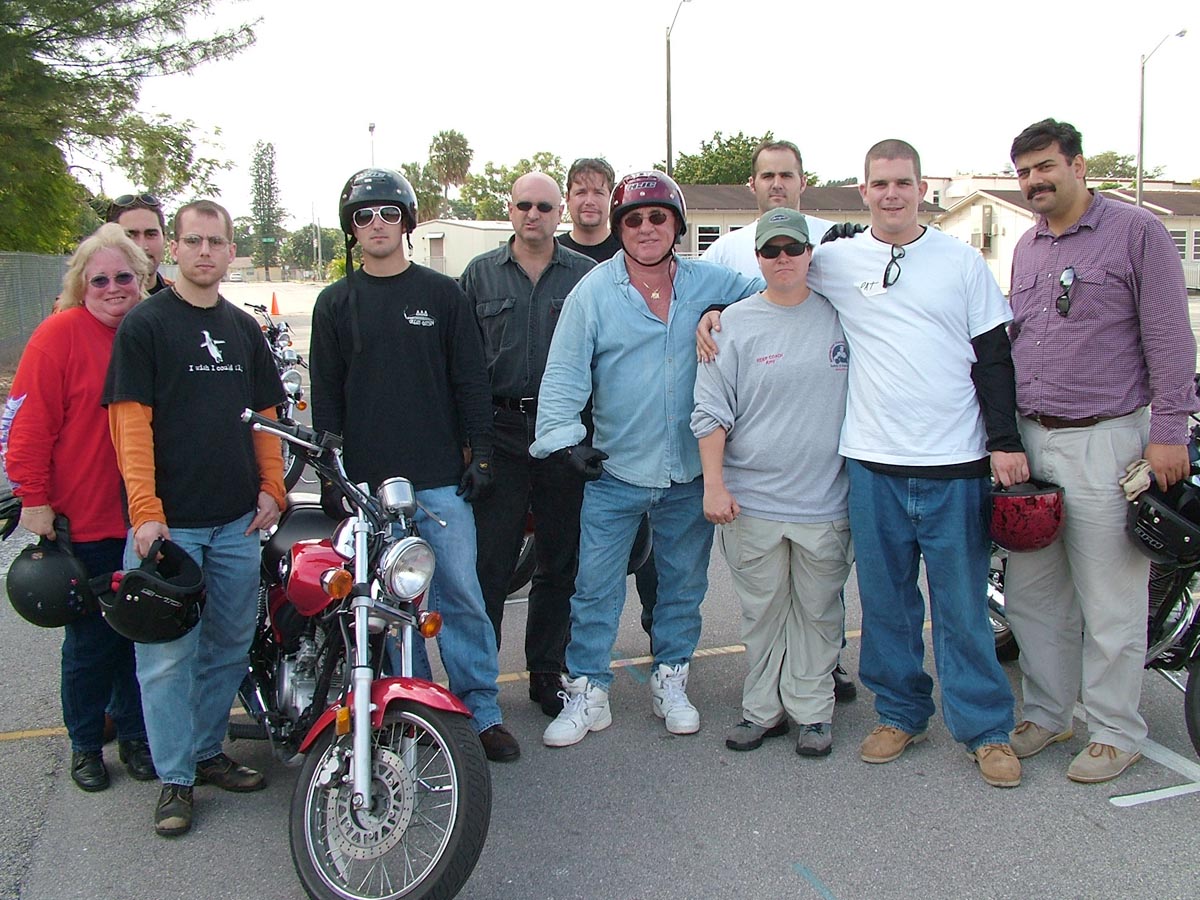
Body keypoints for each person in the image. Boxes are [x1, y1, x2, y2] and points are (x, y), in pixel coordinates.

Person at [699, 140, 1029, 788]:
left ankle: (986, 730)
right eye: (880, 183)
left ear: (922, 189)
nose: (892, 194)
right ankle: (901, 714)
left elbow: (993, 356)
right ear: (864, 191)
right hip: (872, 466)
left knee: (962, 609)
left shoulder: (961, 263)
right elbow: (774, 281)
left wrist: (1005, 440)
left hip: (955, 462)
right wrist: (711, 316)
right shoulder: (836, 259)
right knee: (886, 606)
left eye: (903, 183)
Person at [531, 170, 762, 748]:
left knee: (682, 585)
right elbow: (563, 372)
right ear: (619, 228)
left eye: (658, 217)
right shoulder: (593, 292)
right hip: (615, 470)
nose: (646, 228)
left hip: (690, 471)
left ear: (677, 225)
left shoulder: (713, 281)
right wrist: (565, 442)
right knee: (595, 588)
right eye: (633, 219)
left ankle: (672, 678)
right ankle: (588, 689)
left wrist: (720, 310)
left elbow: (773, 291)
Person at [1004, 119, 1198, 783]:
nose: (1034, 181)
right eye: (1024, 172)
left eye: (1045, 167)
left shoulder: (1136, 233)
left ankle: (1117, 731)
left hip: (1106, 441)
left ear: (1079, 165)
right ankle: (1048, 712)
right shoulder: (1027, 246)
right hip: (1034, 440)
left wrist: (1170, 431)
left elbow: (1169, 337)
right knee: (1034, 596)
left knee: (1111, 601)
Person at [308, 168, 518, 763]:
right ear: (351, 229)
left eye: (388, 213)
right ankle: (415, 712)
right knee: (390, 608)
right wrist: (331, 474)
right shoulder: (334, 304)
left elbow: (470, 379)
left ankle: (481, 712)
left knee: (461, 597)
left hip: (440, 480)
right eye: (364, 216)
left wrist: (481, 452)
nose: (377, 224)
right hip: (369, 490)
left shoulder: (443, 295)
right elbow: (327, 397)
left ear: (407, 221)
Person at [104, 199, 286, 837]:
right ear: (173, 249)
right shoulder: (145, 326)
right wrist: (145, 513)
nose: (204, 251)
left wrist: (273, 488)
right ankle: (175, 778)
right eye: (193, 241)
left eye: (216, 242)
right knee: (165, 661)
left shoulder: (244, 330)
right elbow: (130, 426)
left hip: (236, 523)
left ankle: (208, 752)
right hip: (170, 529)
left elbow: (265, 416)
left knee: (229, 645)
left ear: (230, 251)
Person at [1, 224, 155, 793]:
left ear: (141, 278)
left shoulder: (147, 332)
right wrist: (33, 499)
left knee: (139, 641)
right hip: (84, 521)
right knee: (90, 645)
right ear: (81, 286)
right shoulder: (59, 335)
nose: (114, 288)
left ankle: (136, 738)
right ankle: (86, 744)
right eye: (100, 280)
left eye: (124, 277)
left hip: (143, 521)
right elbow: (27, 426)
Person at [692, 208, 852, 757]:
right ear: (757, 258)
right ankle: (762, 710)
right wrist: (714, 485)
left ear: (810, 253)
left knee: (818, 612)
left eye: (793, 248)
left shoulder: (844, 316)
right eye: (771, 250)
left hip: (825, 500)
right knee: (762, 614)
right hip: (752, 502)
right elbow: (710, 410)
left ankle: (813, 711)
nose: (783, 259)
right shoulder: (730, 325)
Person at [461, 172, 595, 717]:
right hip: (501, 431)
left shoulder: (586, 276)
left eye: (543, 206)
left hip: (564, 433)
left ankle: (546, 671)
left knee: (559, 562)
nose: (533, 214)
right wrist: (469, 443)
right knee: (490, 566)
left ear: (560, 212)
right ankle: (478, 684)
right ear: (510, 210)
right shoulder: (479, 275)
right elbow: (462, 364)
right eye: (524, 205)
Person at [556, 157, 661, 645]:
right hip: (575, 432)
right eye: (580, 191)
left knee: (652, 552)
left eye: (599, 190)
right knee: (577, 554)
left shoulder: (638, 253)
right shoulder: (556, 259)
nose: (589, 200)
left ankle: (662, 637)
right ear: (568, 200)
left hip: (636, 431)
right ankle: (568, 654)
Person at [557, 157, 621, 262]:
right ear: (567, 198)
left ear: (611, 198)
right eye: (581, 192)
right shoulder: (551, 252)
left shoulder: (626, 252)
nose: (589, 201)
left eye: (598, 193)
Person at [106, 193, 172, 293]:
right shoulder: (90, 300)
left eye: (151, 235)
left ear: (164, 240)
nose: (142, 246)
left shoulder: (182, 299)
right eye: (130, 235)